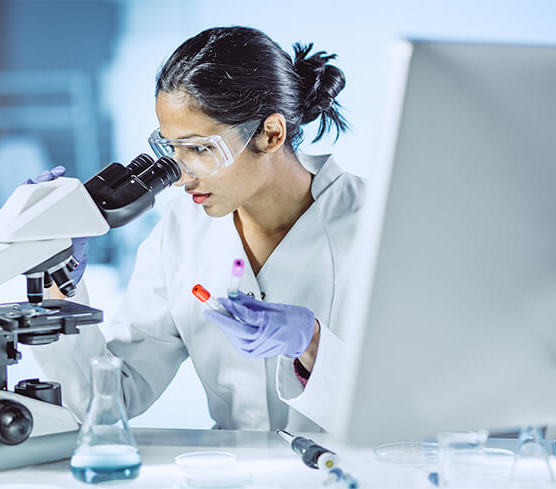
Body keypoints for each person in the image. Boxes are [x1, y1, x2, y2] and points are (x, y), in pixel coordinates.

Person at [32, 26, 364, 432]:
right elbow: (108, 398)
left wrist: (312, 344)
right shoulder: (180, 232)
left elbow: (416, 404)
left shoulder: (374, 224)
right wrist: (57, 281)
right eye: (172, 149)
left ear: (271, 134)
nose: (179, 177)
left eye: (201, 149)